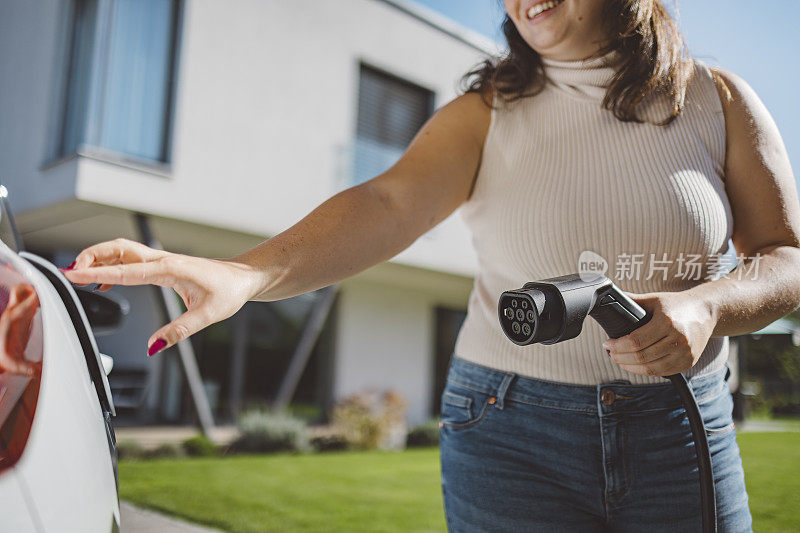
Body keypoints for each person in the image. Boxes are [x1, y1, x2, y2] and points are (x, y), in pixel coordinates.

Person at [61, 0, 799, 530]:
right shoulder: (485, 111)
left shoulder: (717, 99)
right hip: (509, 428)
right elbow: (387, 202)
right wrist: (246, 274)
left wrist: (710, 307)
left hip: (679, 423)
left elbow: (786, 258)